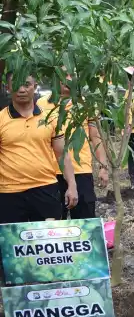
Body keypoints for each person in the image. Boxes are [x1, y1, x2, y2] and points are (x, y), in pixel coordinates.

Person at [0, 75, 78, 222]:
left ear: (35, 87)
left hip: (45, 188)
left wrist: (72, 185)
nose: (22, 90)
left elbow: (61, 154)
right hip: (9, 192)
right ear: (8, 87)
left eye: (27, 85)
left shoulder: (50, 117)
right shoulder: (1, 119)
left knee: (48, 240)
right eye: (16, 85)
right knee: (12, 242)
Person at [38, 78, 109, 219]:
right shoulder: (41, 104)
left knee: (85, 220)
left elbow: (96, 137)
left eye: (71, 76)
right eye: (62, 75)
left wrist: (103, 167)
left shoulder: (86, 104)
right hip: (51, 172)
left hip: (81, 169)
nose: (67, 80)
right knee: (54, 222)